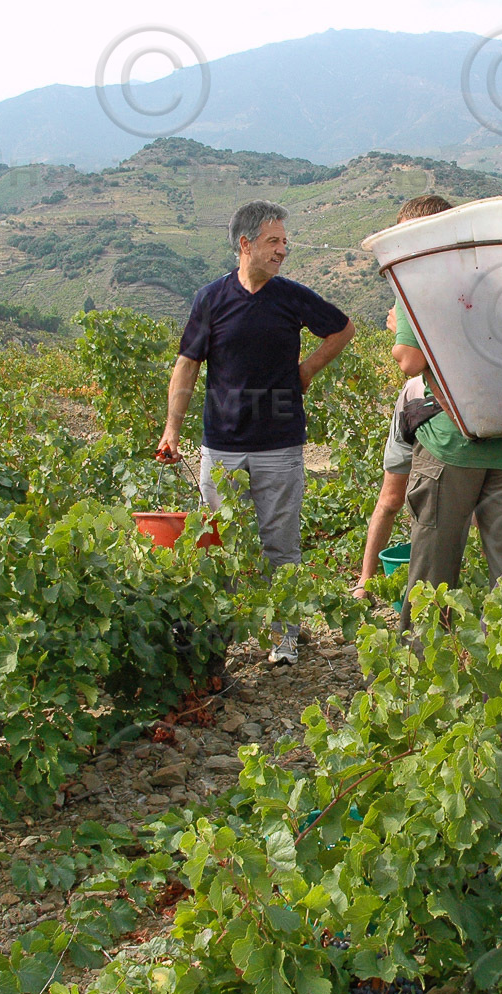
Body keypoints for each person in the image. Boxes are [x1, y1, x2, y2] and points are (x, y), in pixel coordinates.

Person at [154, 200, 356, 665]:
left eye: (285, 241)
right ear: (245, 245)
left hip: (279, 444)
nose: (283, 250)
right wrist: (171, 428)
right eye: (273, 242)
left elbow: (342, 330)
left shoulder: (291, 296)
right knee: (218, 543)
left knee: (280, 542)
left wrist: (306, 371)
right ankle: (218, 639)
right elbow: (186, 366)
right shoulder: (212, 299)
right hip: (221, 446)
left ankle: (284, 637)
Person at [387, 195, 502, 623]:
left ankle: (421, 674)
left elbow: (410, 360)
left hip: (451, 447)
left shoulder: (419, 276)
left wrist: (395, 328)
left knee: (432, 576)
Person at [354, 367, 502, 600]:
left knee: (490, 517)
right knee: (391, 499)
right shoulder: (423, 388)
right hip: (418, 410)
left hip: (465, 432)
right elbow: (406, 354)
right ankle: (366, 579)